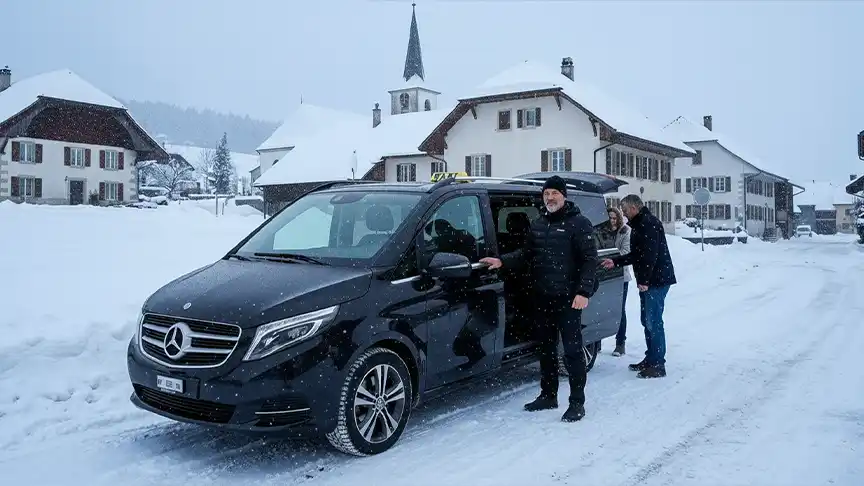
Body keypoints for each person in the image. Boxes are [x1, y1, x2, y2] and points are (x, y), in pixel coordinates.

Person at [480, 175, 598, 422]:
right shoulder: (538, 224)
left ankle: (577, 402)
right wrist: (503, 261)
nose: (550, 198)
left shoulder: (579, 224)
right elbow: (527, 254)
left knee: (573, 351)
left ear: (564, 196)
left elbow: (589, 261)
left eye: (554, 193)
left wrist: (583, 292)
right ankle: (548, 395)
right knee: (545, 349)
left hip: (569, 299)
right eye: (546, 194)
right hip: (543, 296)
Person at [601, 195, 676, 378]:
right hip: (652, 280)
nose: (624, 214)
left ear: (634, 207)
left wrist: (645, 281)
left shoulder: (648, 224)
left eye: (625, 210)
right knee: (647, 321)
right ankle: (651, 358)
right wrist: (616, 261)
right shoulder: (641, 224)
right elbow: (637, 255)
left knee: (654, 322)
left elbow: (650, 255)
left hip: (656, 281)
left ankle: (658, 364)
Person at [605, 206, 632, 357]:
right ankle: (598, 342)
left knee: (619, 309)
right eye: (609, 217)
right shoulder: (603, 231)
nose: (612, 220)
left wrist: (611, 259)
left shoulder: (625, 231)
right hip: (603, 274)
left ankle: (620, 343)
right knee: (601, 308)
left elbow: (627, 253)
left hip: (621, 276)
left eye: (615, 218)